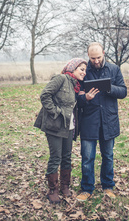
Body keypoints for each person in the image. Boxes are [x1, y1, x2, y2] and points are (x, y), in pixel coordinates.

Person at [76, 42, 127, 201]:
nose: (96, 61)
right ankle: (87, 189)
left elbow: (123, 92)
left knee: (108, 156)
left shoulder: (114, 69)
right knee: (87, 158)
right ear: (88, 56)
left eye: (98, 57)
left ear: (104, 53)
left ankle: (107, 186)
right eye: (92, 58)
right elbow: (77, 98)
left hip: (108, 120)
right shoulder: (83, 72)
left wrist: (109, 88)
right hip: (89, 121)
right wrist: (85, 98)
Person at [34, 58, 87, 204]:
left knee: (67, 157)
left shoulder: (76, 86)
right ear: (72, 68)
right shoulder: (61, 79)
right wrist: (55, 112)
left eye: (85, 70)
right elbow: (45, 95)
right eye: (81, 69)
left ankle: (65, 186)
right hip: (55, 126)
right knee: (55, 157)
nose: (84, 72)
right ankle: (53, 190)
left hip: (69, 126)